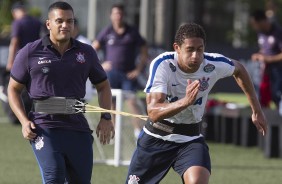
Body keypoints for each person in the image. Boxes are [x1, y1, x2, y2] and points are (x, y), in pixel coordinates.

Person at [125, 23, 268, 184]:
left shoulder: (212, 64)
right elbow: (153, 112)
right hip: (156, 138)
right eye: (190, 49)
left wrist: (256, 110)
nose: (195, 56)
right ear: (177, 48)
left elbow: (239, 69)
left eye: (200, 49)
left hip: (189, 139)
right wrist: (185, 102)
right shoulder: (163, 64)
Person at [7, 1, 115, 183]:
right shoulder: (30, 52)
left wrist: (106, 118)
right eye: (59, 21)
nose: (65, 25)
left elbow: (103, 86)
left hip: (77, 127)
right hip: (44, 126)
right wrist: (24, 121)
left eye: (69, 21)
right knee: (54, 177)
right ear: (49, 24)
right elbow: (13, 89)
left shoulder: (86, 52)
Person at [92, 3, 148, 139]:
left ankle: (137, 132)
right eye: (116, 13)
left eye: (120, 14)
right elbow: (92, 49)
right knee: (112, 105)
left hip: (128, 75)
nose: (118, 16)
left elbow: (144, 50)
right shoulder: (107, 31)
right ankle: (113, 132)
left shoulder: (132, 32)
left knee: (132, 102)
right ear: (111, 16)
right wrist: (100, 65)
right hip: (111, 74)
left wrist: (138, 69)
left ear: (124, 16)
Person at [3, 1, 43, 125]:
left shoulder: (18, 23)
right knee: (33, 89)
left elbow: (15, 42)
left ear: (15, 12)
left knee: (15, 89)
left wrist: (10, 62)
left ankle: (16, 116)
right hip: (36, 60)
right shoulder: (37, 22)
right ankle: (32, 114)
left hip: (21, 60)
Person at [250, 9, 282, 108]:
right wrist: (259, 55)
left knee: (277, 97)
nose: (254, 27)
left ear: (262, 21)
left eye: (255, 24)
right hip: (265, 71)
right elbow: (264, 49)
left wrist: (268, 59)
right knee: (262, 98)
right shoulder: (261, 33)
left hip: (278, 71)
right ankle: (265, 122)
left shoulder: (278, 32)